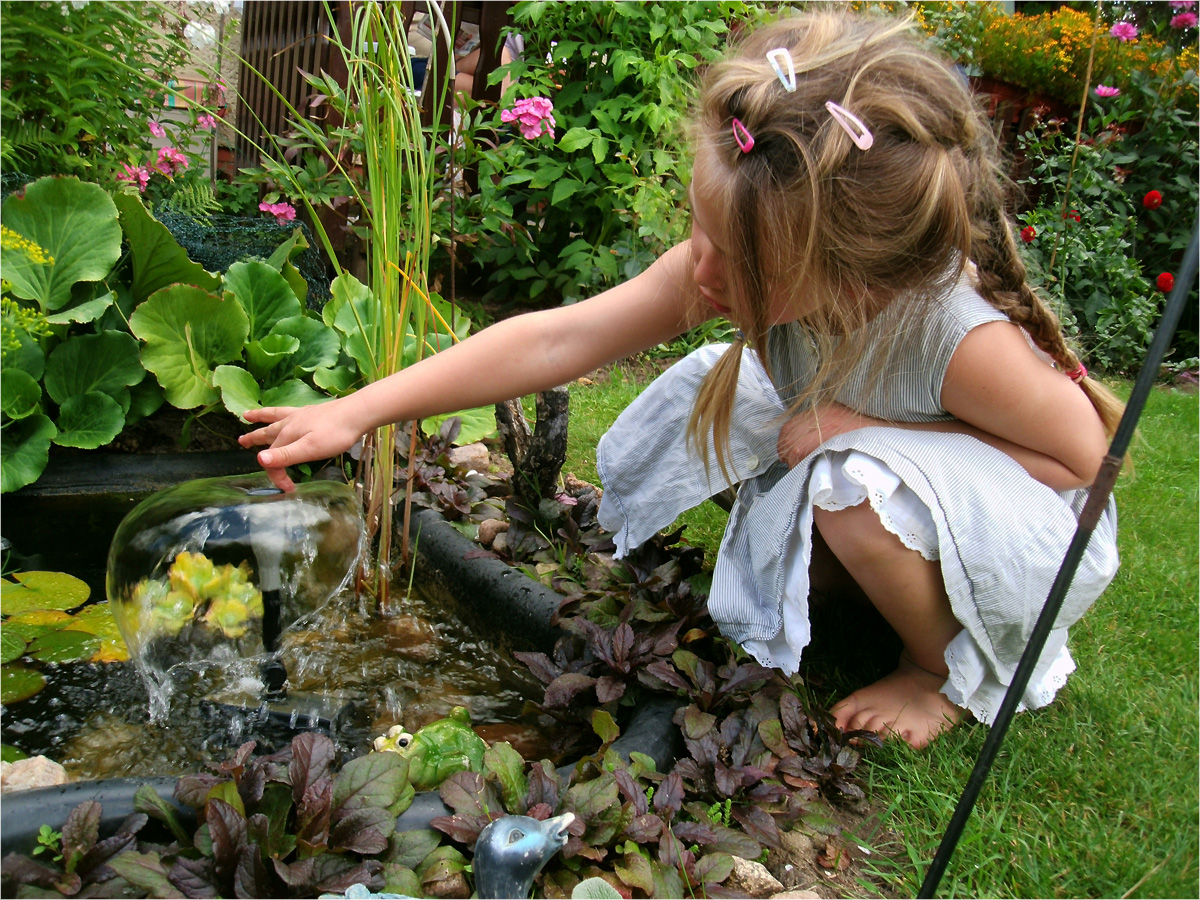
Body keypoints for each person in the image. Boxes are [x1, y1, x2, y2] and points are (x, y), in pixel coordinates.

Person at [240, 11, 1122, 749]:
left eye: (733, 263)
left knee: (852, 483)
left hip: (1033, 521)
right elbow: (563, 339)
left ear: (855, 277)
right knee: (724, 393)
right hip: (890, 457)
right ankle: (857, 574)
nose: (700, 271)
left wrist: (873, 433)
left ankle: (939, 672)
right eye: (699, 230)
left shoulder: (958, 339)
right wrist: (358, 409)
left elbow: (1087, 463)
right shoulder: (741, 249)